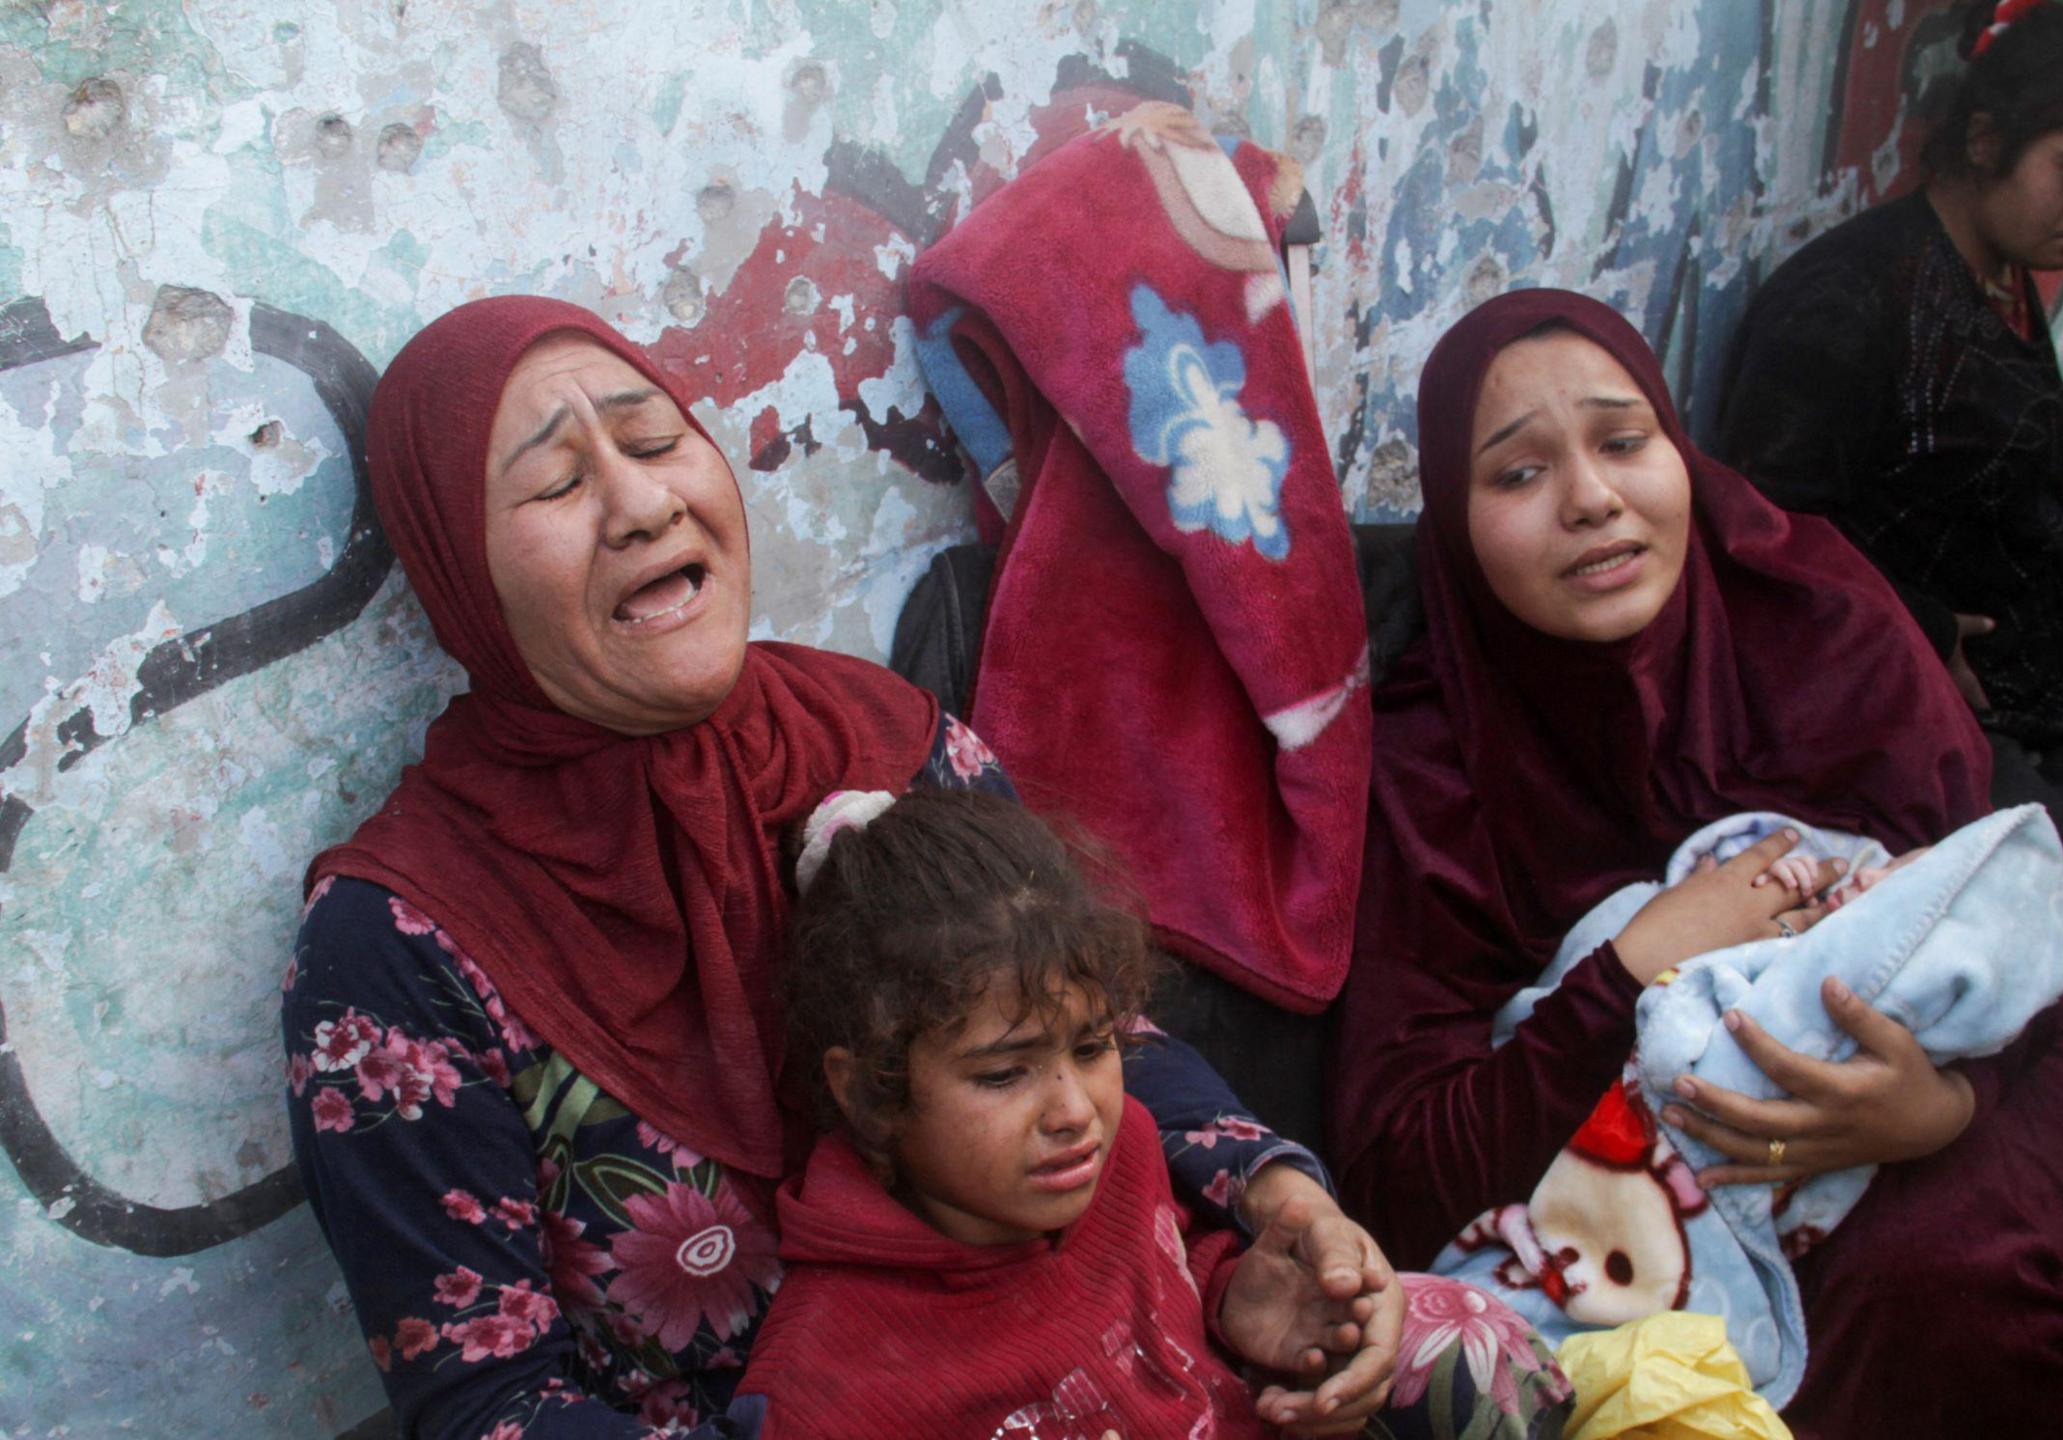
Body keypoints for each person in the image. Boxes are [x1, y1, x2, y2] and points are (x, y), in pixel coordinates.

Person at [283, 297, 1401, 1438]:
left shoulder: (886, 741)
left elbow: (1091, 1032)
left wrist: (1270, 1204)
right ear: (457, 569)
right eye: (559, 485)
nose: (641, 502)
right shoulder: (399, 946)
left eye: (657, 440)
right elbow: (486, 1402)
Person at [1333, 288, 2063, 1439]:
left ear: (1680, 451)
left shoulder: (1825, 632)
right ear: (1454, 532)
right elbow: (1400, 1182)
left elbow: (2016, 950)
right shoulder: (1429, 772)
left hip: (1951, 1080)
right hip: (1627, 1175)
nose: (1593, 499)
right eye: (1516, 475)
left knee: (1948, 1291)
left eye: (1624, 442)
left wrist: (1942, 1110)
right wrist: (1626, 973)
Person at [737, 786, 1567, 1438]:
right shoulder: (831, 1385)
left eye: (1093, 1048)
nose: (1074, 1111)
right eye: (1003, 1075)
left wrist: (1228, 1297)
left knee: (1475, 1331)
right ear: (871, 1090)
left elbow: (1153, 1280)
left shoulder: (1122, 1154)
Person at [1717, 0, 2063, 922]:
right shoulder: (1846, 301)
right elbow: (1771, 537)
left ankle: (2028, 839)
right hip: (1890, 678)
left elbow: (1986, 453)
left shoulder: (2001, 273)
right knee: (1987, 796)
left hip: (2024, 638)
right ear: (1986, 140)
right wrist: (1930, 635)